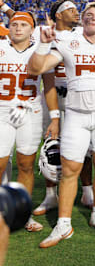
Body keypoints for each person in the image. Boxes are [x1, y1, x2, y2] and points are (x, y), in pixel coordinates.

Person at [29, 1, 95, 248]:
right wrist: (45, 43)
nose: (93, 18)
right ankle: (63, 224)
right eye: (89, 14)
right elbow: (36, 68)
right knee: (69, 170)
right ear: (83, 19)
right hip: (76, 115)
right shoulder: (68, 41)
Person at [33, 0, 95, 217]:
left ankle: (87, 190)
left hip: (78, 96)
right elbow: (47, 77)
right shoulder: (45, 35)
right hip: (53, 95)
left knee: (85, 144)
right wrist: (54, 114)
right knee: (51, 145)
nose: (75, 12)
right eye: (70, 10)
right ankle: (50, 194)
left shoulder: (84, 35)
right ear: (58, 15)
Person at [0, 12, 60, 232]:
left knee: (26, 165)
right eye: (14, 24)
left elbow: (50, 86)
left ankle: (22, 215)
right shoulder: (1, 47)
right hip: (2, 111)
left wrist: (54, 118)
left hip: (30, 112)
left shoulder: (41, 51)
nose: (17, 28)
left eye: (23, 25)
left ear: (31, 29)